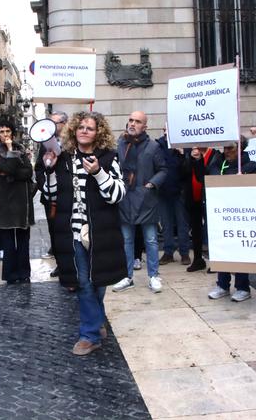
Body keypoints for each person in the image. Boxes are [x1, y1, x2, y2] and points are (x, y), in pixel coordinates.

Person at [42, 111, 126, 355]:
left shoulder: (109, 158)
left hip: (102, 233)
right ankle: (90, 334)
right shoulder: (64, 158)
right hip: (74, 234)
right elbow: (50, 196)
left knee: (98, 282)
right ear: (73, 131)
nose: (84, 130)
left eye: (90, 128)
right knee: (84, 283)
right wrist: (49, 170)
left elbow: (118, 195)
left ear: (98, 132)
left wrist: (99, 172)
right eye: (81, 127)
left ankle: (95, 320)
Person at [112, 111, 167, 294]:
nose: (132, 124)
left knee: (151, 240)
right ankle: (127, 277)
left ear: (145, 126)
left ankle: (153, 276)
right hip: (125, 198)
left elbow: (163, 170)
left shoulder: (153, 146)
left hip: (146, 199)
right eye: (130, 120)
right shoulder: (120, 144)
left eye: (137, 121)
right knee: (126, 240)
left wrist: (152, 184)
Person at [205, 137, 256, 302]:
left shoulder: (251, 166)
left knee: (240, 251)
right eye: (225, 148)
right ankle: (222, 285)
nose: (226, 151)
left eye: (230, 148)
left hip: (242, 216)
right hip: (223, 215)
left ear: (240, 148)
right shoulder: (219, 164)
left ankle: (243, 287)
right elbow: (209, 175)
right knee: (223, 249)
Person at [0, 121, 34, 284]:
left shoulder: (21, 148)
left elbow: (28, 172)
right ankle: (10, 274)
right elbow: (7, 168)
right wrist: (10, 153)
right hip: (6, 200)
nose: (5, 134)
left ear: (13, 133)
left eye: (8, 131)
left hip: (23, 200)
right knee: (8, 240)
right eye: (2, 131)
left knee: (23, 239)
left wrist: (10, 172)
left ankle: (24, 273)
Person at [34, 111, 68, 267]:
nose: (51, 127)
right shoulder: (45, 144)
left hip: (67, 195)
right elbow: (39, 169)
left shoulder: (72, 143)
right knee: (53, 230)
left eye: (55, 123)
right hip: (50, 198)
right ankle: (60, 265)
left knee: (67, 232)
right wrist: (45, 187)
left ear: (64, 124)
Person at [157, 129, 191, 266]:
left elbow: (188, 169)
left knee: (182, 223)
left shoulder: (184, 145)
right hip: (163, 190)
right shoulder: (158, 145)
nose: (167, 132)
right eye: (165, 129)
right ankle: (168, 252)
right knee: (166, 223)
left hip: (180, 191)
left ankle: (184, 253)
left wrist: (184, 155)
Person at [185, 146, 218, 272]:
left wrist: (199, 160)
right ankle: (198, 259)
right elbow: (184, 173)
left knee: (211, 230)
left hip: (208, 198)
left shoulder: (215, 155)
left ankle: (215, 261)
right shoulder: (189, 153)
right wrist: (187, 158)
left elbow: (205, 176)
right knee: (196, 231)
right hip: (193, 197)